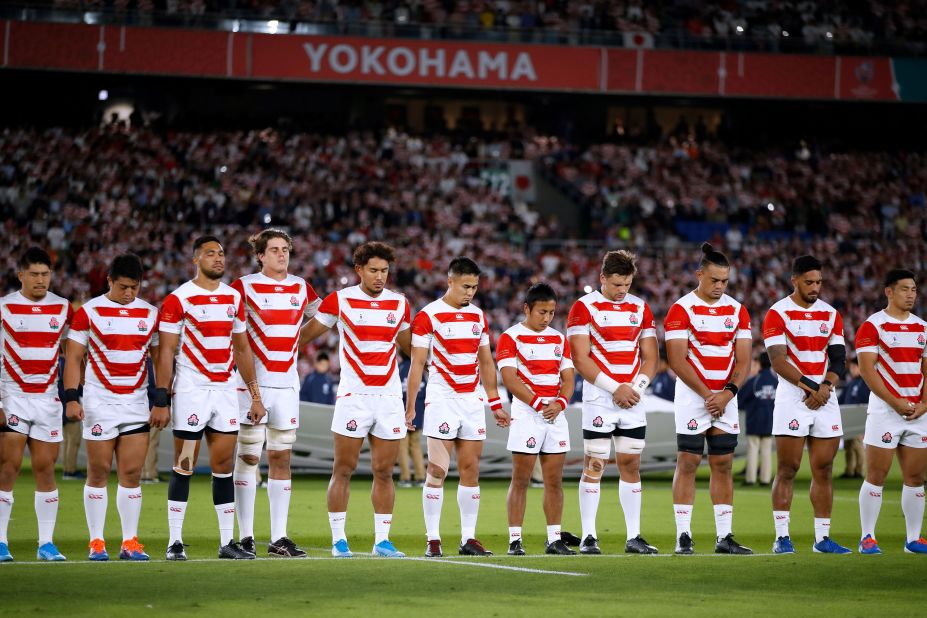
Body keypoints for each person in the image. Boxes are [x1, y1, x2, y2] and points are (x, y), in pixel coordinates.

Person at [153, 235, 267, 561]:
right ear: (195, 260)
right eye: (210, 253)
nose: (218, 258)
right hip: (192, 392)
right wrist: (162, 398)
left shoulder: (233, 298)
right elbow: (166, 353)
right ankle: (174, 541)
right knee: (185, 465)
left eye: (221, 252)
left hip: (225, 393)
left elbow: (243, 348)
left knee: (223, 468)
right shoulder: (179, 299)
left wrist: (255, 396)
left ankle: (226, 542)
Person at [298, 242, 412, 558]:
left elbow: (410, 346)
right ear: (359, 270)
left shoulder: (399, 303)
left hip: (389, 397)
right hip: (354, 397)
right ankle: (338, 541)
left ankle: (382, 541)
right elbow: (304, 336)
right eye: (373, 270)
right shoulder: (341, 301)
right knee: (343, 469)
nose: (379, 277)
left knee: (384, 471)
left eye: (385, 271)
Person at [63, 253, 166, 561]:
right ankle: (96, 541)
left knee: (132, 473)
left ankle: (129, 541)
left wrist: (161, 399)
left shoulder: (150, 314)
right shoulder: (88, 312)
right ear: (109, 281)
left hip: (135, 404)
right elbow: (74, 357)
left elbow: (161, 359)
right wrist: (71, 397)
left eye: (134, 287)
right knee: (98, 471)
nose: (129, 293)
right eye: (123, 287)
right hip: (99, 404)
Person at [405, 257, 507, 557]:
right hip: (442, 399)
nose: (470, 293)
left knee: (471, 469)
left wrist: (495, 401)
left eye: (474, 287)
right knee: (437, 469)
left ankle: (468, 538)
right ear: (450, 281)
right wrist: (411, 406)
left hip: (471, 400)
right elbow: (418, 364)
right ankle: (433, 538)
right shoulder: (428, 316)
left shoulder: (478, 317)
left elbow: (486, 361)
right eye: (465, 286)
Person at [231, 229, 321, 558]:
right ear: (260, 255)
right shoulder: (242, 287)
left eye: (285, 249)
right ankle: (245, 536)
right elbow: (233, 335)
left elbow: (320, 318)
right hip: (251, 387)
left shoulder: (302, 287)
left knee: (281, 458)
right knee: (249, 457)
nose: (282, 255)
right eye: (274, 250)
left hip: (286, 386)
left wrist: (297, 342)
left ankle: (279, 537)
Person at [567, 250, 659, 555]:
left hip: (633, 399)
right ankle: (589, 536)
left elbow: (650, 356)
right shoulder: (583, 308)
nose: (622, 291)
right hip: (599, 399)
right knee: (594, 464)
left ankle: (634, 535)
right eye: (617, 284)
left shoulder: (641, 307)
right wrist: (614, 388)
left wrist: (637, 388)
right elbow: (580, 358)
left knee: (631, 464)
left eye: (627, 285)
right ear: (602, 278)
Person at [664, 242, 753, 555]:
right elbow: (677, 359)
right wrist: (707, 395)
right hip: (693, 398)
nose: (720, 286)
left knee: (724, 464)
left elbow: (744, 360)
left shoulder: (738, 310)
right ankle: (683, 535)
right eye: (714, 280)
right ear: (699, 274)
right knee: (687, 461)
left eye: (725, 281)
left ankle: (724, 536)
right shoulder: (681, 309)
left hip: (725, 399)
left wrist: (727, 394)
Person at [763, 255, 851, 554]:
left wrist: (825, 387)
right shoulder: (778, 312)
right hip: (793, 398)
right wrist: (813, 387)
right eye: (809, 282)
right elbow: (777, 361)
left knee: (824, 468)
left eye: (819, 282)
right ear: (795, 280)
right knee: (788, 468)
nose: (815, 287)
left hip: (824, 397)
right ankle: (782, 537)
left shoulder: (831, 314)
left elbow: (839, 358)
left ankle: (822, 539)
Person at [0, 247, 73, 562]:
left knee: (45, 470)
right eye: (35, 274)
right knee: (8, 469)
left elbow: (74, 352)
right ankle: (1, 542)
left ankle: (46, 544)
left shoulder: (63, 307)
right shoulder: (4, 307)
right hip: (12, 396)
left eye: (46, 274)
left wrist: (72, 396)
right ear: (21, 275)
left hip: (47, 400)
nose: (41, 280)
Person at [499, 283, 575, 555]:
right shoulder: (510, 337)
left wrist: (560, 403)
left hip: (556, 415)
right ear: (527, 309)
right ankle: (514, 541)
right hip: (528, 415)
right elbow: (509, 378)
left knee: (554, 481)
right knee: (520, 479)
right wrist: (538, 403)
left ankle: (554, 539)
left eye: (551, 313)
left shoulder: (559, 339)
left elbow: (568, 378)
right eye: (542, 312)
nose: (547, 318)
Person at [855, 268, 927, 554]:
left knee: (915, 477)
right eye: (905, 289)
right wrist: (896, 402)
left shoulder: (923, 327)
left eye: (914, 289)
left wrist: (924, 404)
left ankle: (913, 539)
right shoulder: (873, 326)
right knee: (877, 474)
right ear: (889, 291)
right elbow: (866, 369)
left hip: (918, 412)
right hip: (885, 411)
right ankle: (867, 537)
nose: (911, 294)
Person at [737, 353, 775, 486]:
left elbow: (740, 400)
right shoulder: (775, 381)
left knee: (753, 449)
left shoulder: (754, 381)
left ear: (759, 363)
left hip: (754, 420)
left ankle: (751, 478)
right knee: (766, 450)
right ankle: (765, 479)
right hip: (770, 421)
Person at [397, 353, 426, 487]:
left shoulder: (402, 368)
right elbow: (425, 390)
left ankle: (406, 478)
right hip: (419, 410)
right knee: (415, 445)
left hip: (403, 410)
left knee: (402, 446)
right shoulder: (419, 366)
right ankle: (421, 477)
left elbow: (398, 390)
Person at [838, 358, 869, 478]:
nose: (851, 370)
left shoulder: (865, 383)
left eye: (853, 367)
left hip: (858, 419)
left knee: (857, 445)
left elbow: (866, 403)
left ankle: (859, 470)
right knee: (848, 446)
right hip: (848, 419)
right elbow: (841, 400)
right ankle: (849, 470)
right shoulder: (851, 383)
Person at [58, 356, 84, 480]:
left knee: (66, 440)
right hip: (68, 406)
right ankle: (70, 471)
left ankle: (66, 468)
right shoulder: (67, 363)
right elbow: (71, 385)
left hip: (60, 406)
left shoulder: (57, 362)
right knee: (73, 440)